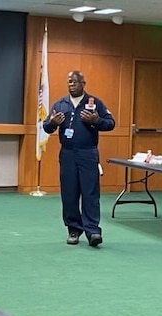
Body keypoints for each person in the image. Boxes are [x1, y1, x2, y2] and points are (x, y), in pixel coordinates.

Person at [42, 70, 116, 247]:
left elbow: (110, 123)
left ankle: (93, 231)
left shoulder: (95, 103)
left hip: (88, 153)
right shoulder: (60, 104)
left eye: (75, 82)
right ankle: (73, 230)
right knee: (69, 192)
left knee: (90, 193)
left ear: (83, 83)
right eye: (69, 82)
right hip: (67, 154)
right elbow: (46, 127)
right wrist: (52, 124)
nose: (71, 84)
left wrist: (97, 120)